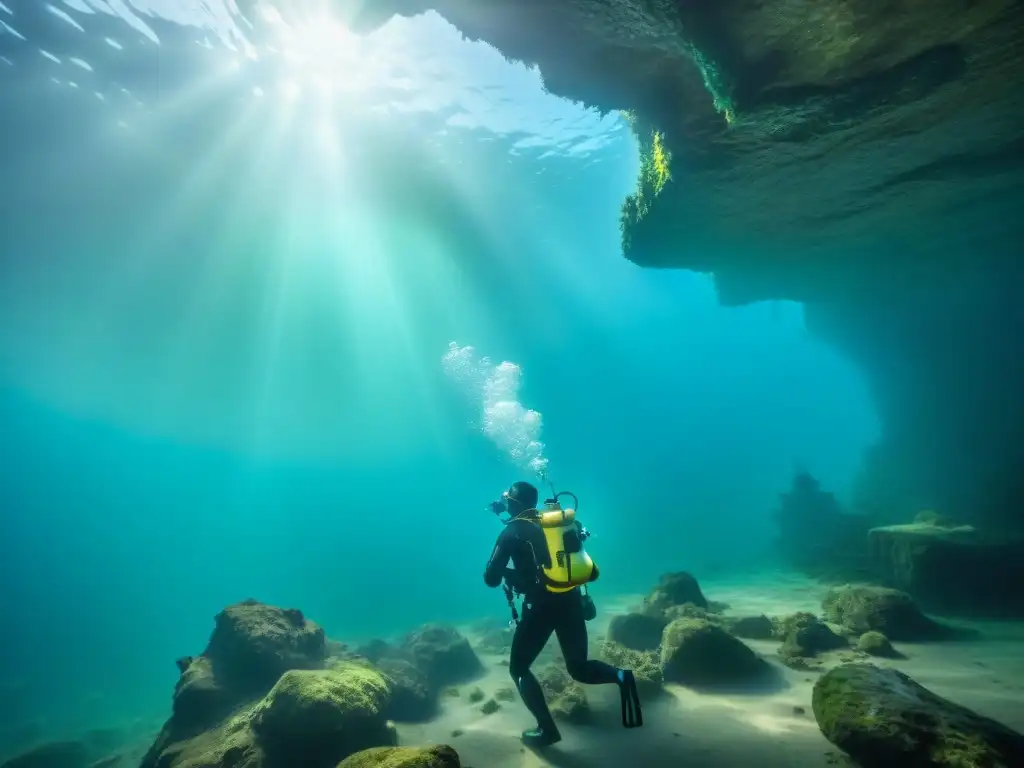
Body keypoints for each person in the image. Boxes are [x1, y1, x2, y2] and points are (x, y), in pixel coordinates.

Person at [484, 480, 642, 747]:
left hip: (541, 608)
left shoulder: (512, 532)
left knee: (519, 668)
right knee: (578, 667)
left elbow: (490, 578)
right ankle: (621, 677)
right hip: (570, 600)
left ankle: (547, 731)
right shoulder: (556, 524)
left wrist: (509, 574)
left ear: (514, 503)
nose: (505, 501)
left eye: (508, 498)